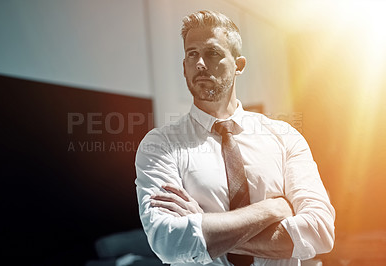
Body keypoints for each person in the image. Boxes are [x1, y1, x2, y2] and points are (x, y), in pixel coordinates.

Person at [135, 10, 335, 266]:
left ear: (238, 65)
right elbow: (169, 243)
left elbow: (319, 232)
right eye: (192, 54)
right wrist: (272, 209)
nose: (199, 63)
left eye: (212, 53)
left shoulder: (285, 138)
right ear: (184, 67)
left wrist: (204, 226)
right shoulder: (160, 145)